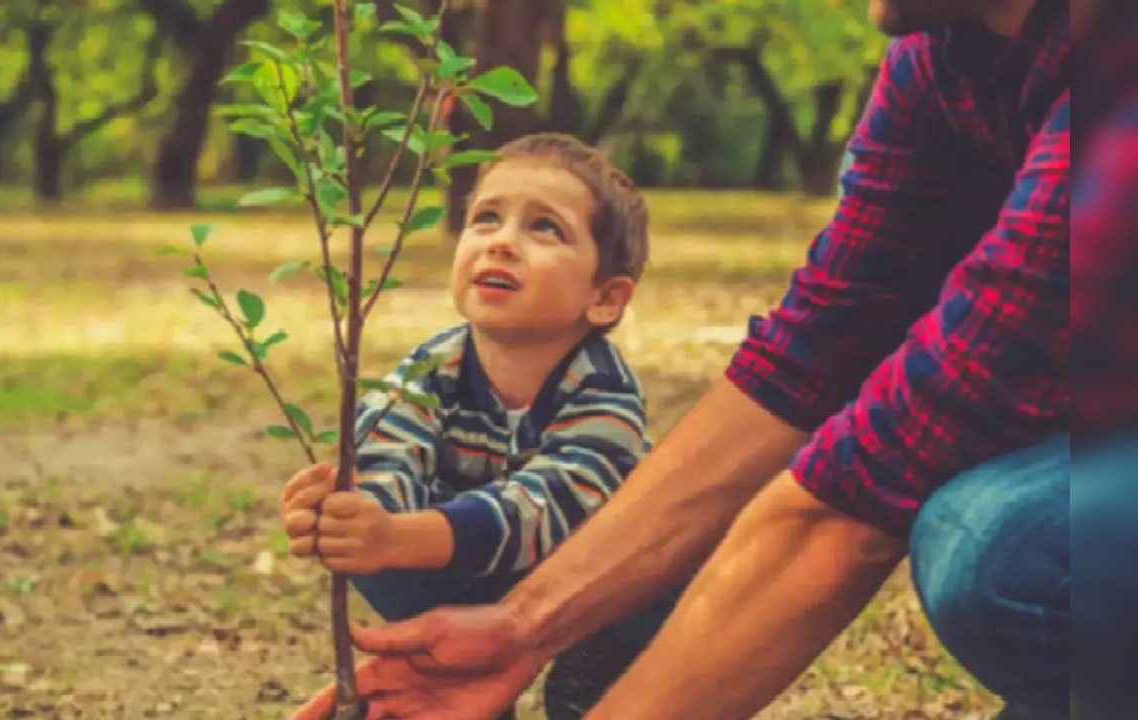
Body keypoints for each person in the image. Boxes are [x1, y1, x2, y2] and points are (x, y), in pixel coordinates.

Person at [290, 1, 1138, 719]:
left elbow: (864, 490)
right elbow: (811, 353)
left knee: (998, 548)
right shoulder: (940, 57)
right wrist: (523, 626)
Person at [279, 133, 660, 719]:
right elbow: (387, 455)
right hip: (468, 571)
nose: (502, 242)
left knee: (675, 564)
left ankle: (601, 665)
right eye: (486, 219)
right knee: (376, 547)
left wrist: (400, 536)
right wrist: (352, 515)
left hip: (586, 586)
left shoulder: (604, 393)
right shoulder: (431, 370)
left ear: (605, 298)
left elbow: (545, 509)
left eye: (544, 228)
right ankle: (455, 667)